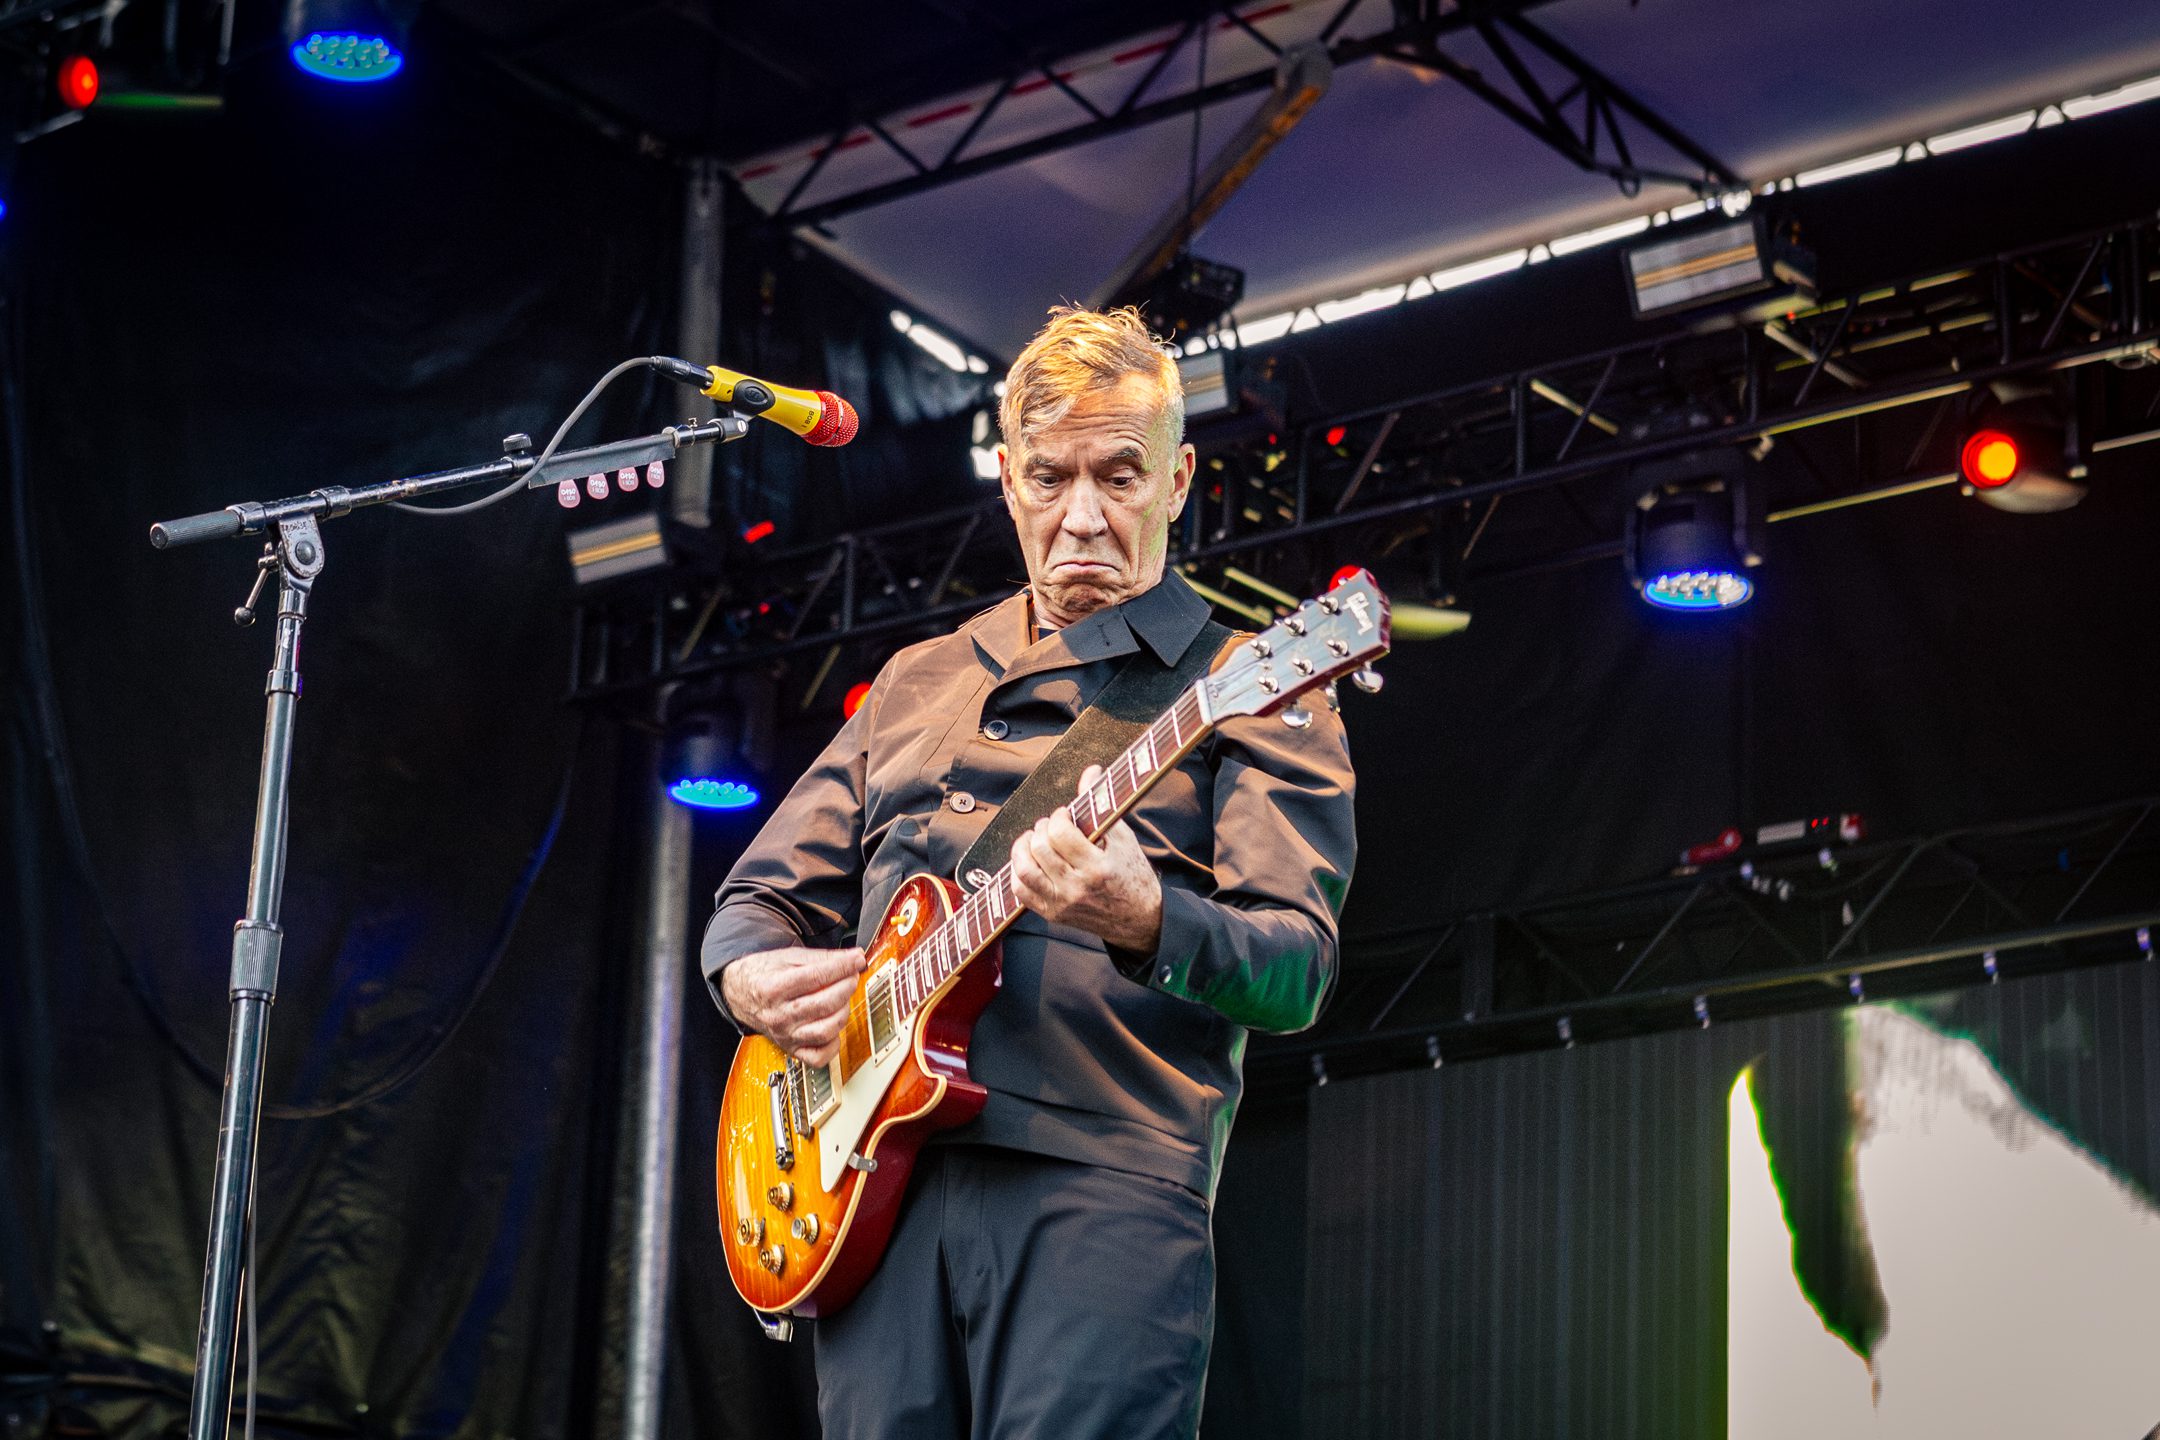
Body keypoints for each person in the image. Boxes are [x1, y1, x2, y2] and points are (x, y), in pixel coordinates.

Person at [700, 305, 1357, 1440]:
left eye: (1119, 475)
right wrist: (749, 981)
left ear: (1179, 476)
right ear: (1008, 479)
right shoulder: (914, 681)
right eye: (1051, 479)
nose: (1084, 517)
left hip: (1098, 1193)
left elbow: (1295, 969)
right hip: (872, 1197)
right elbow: (753, 905)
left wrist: (1149, 917)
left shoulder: (1252, 684)